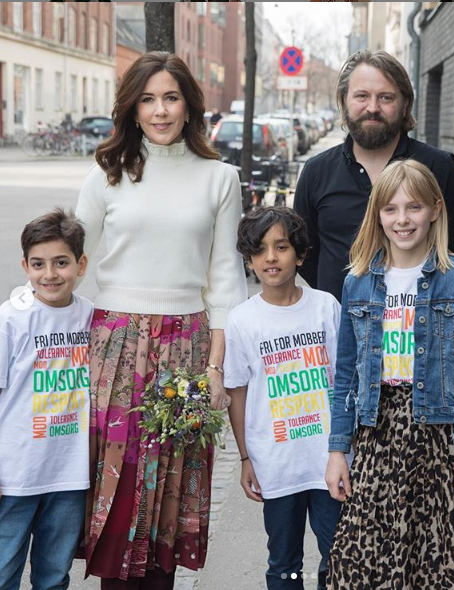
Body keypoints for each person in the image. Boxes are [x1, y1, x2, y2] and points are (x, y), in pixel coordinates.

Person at [75, 51, 247, 588]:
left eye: (171, 97)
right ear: (131, 108)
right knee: (121, 490)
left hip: (187, 348)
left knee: (171, 487)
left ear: (189, 105)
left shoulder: (219, 179)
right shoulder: (104, 176)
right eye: (147, 99)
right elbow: (71, 264)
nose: (160, 110)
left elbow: (225, 281)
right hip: (115, 347)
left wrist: (216, 369)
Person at [325, 159, 454, 589]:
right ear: (377, 215)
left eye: (414, 207)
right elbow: (345, 375)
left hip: (444, 437)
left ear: (435, 210)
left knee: (440, 558)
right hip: (377, 432)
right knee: (366, 555)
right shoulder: (358, 282)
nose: (402, 219)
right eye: (391, 209)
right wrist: (337, 450)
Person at [294, 49, 454, 302]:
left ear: (405, 106)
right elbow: (304, 254)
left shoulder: (440, 168)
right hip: (340, 328)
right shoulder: (316, 172)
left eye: (386, 98)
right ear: (344, 100)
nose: (372, 107)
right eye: (361, 96)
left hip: (423, 331)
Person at [224, 207, 343, 590]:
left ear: (301, 254)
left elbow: (344, 382)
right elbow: (237, 392)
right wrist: (245, 458)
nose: (271, 258)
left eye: (282, 247)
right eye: (259, 250)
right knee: (284, 562)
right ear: (249, 260)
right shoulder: (242, 319)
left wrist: (344, 447)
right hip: (275, 461)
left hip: (328, 461)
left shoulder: (326, 307)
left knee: (339, 555)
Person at [0, 208, 93, 590]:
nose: (50, 274)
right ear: (25, 266)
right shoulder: (11, 320)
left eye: (61, 262)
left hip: (69, 475)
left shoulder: (90, 317)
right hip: (15, 477)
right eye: (38, 264)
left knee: (54, 576)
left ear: (80, 264)